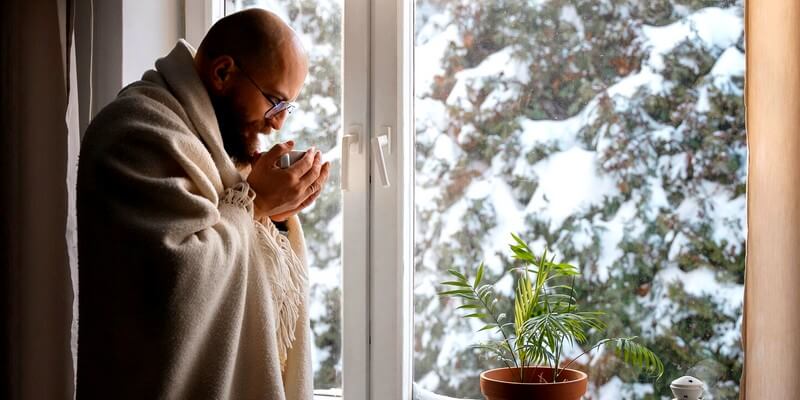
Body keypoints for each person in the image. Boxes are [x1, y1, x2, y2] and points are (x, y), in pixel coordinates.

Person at [75, 9, 329, 400]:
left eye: (286, 108)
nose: (277, 124)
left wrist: (275, 218)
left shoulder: (217, 147)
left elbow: (233, 227)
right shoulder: (136, 132)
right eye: (274, 102)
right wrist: (256, 204)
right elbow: (176, 280)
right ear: (223, 72)